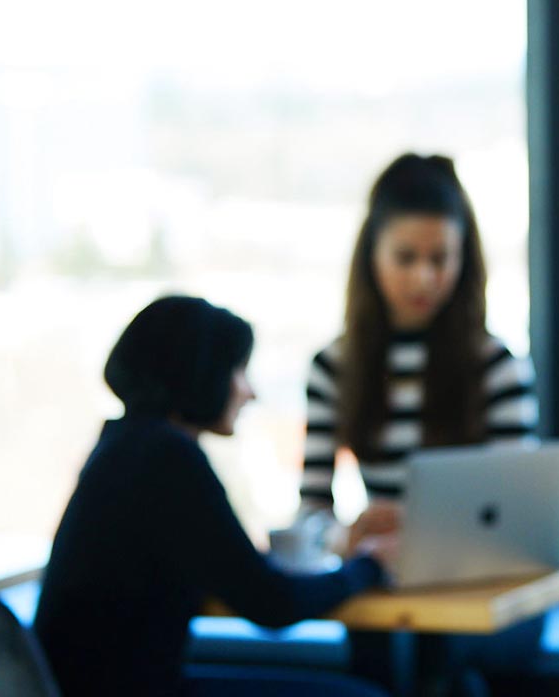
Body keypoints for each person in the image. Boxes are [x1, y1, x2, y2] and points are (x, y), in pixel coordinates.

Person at [34, 295, 391, 697]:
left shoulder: (126, 444)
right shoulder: (166, 456)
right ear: (199, 373)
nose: (249, 391)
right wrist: (370, 566)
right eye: (238, 370)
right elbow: (272, 604)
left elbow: (229, 572)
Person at [297, 153, 541, 693]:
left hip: (486, 593)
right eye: (405, 257)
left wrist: (426, 528)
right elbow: (311, 514)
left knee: (438, 660)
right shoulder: (332, 369)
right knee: (382, 650)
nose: (424, 277)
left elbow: (524, 519)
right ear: (371, 257)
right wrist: (347, 534)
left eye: (441, 258)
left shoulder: (496, 367)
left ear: (464, 260)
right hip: (391, 591)